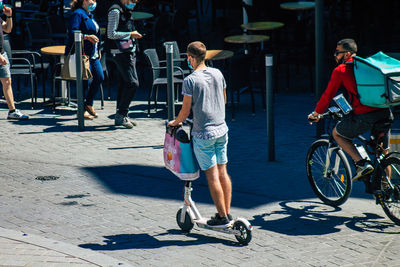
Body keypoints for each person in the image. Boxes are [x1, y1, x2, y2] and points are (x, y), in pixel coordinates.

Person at [308, 38, 393, 181]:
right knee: (383, 153)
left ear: (347, 54)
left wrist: (316, 113)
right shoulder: (369, 66)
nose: (335, 55)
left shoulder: (340, 70)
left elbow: (328, 95)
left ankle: (361, 163)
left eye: (337, 52)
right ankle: (388, 193)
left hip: (364, 116)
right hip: (385, 113)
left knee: (338, 134)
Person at [168, 41, 232, 227]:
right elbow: (224, 100)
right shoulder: (218, 73)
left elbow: (185, 111)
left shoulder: (190, 80)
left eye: (188, 57)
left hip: (204, 134)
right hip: (222, 129)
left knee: (212, 176)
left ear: (191, 58)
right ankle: (226, 212)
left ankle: (222, 217)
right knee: (223, 172)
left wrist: (175, 122)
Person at [106, 0, 142, 129]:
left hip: (128, 50)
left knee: (124, 82)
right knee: (132, 83)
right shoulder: (115, 11)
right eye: (133, 1)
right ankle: (121, 114)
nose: (134, 3)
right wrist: (130, 34)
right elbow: (111, 34)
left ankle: (121, 115)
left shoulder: (125, 11)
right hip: (119, 52)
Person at [66, 0, 104, 119]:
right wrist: (86, 37)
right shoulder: (78, 14)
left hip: (93, 54)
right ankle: (81, 110)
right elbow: (72, 32)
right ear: (83, 1)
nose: (93, 2)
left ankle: (88, 103)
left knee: (99, 77)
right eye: (90, 0)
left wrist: (99, 50)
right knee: (84, 82)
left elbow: (97, 33)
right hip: (82, 54)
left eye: (94, 0)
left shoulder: (89, 15)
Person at [0, 5, 28, 120]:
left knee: (7, 81)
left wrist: (9, 16)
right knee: (6, 81)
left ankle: (12, 111)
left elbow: (7, 29)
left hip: (2, 53)